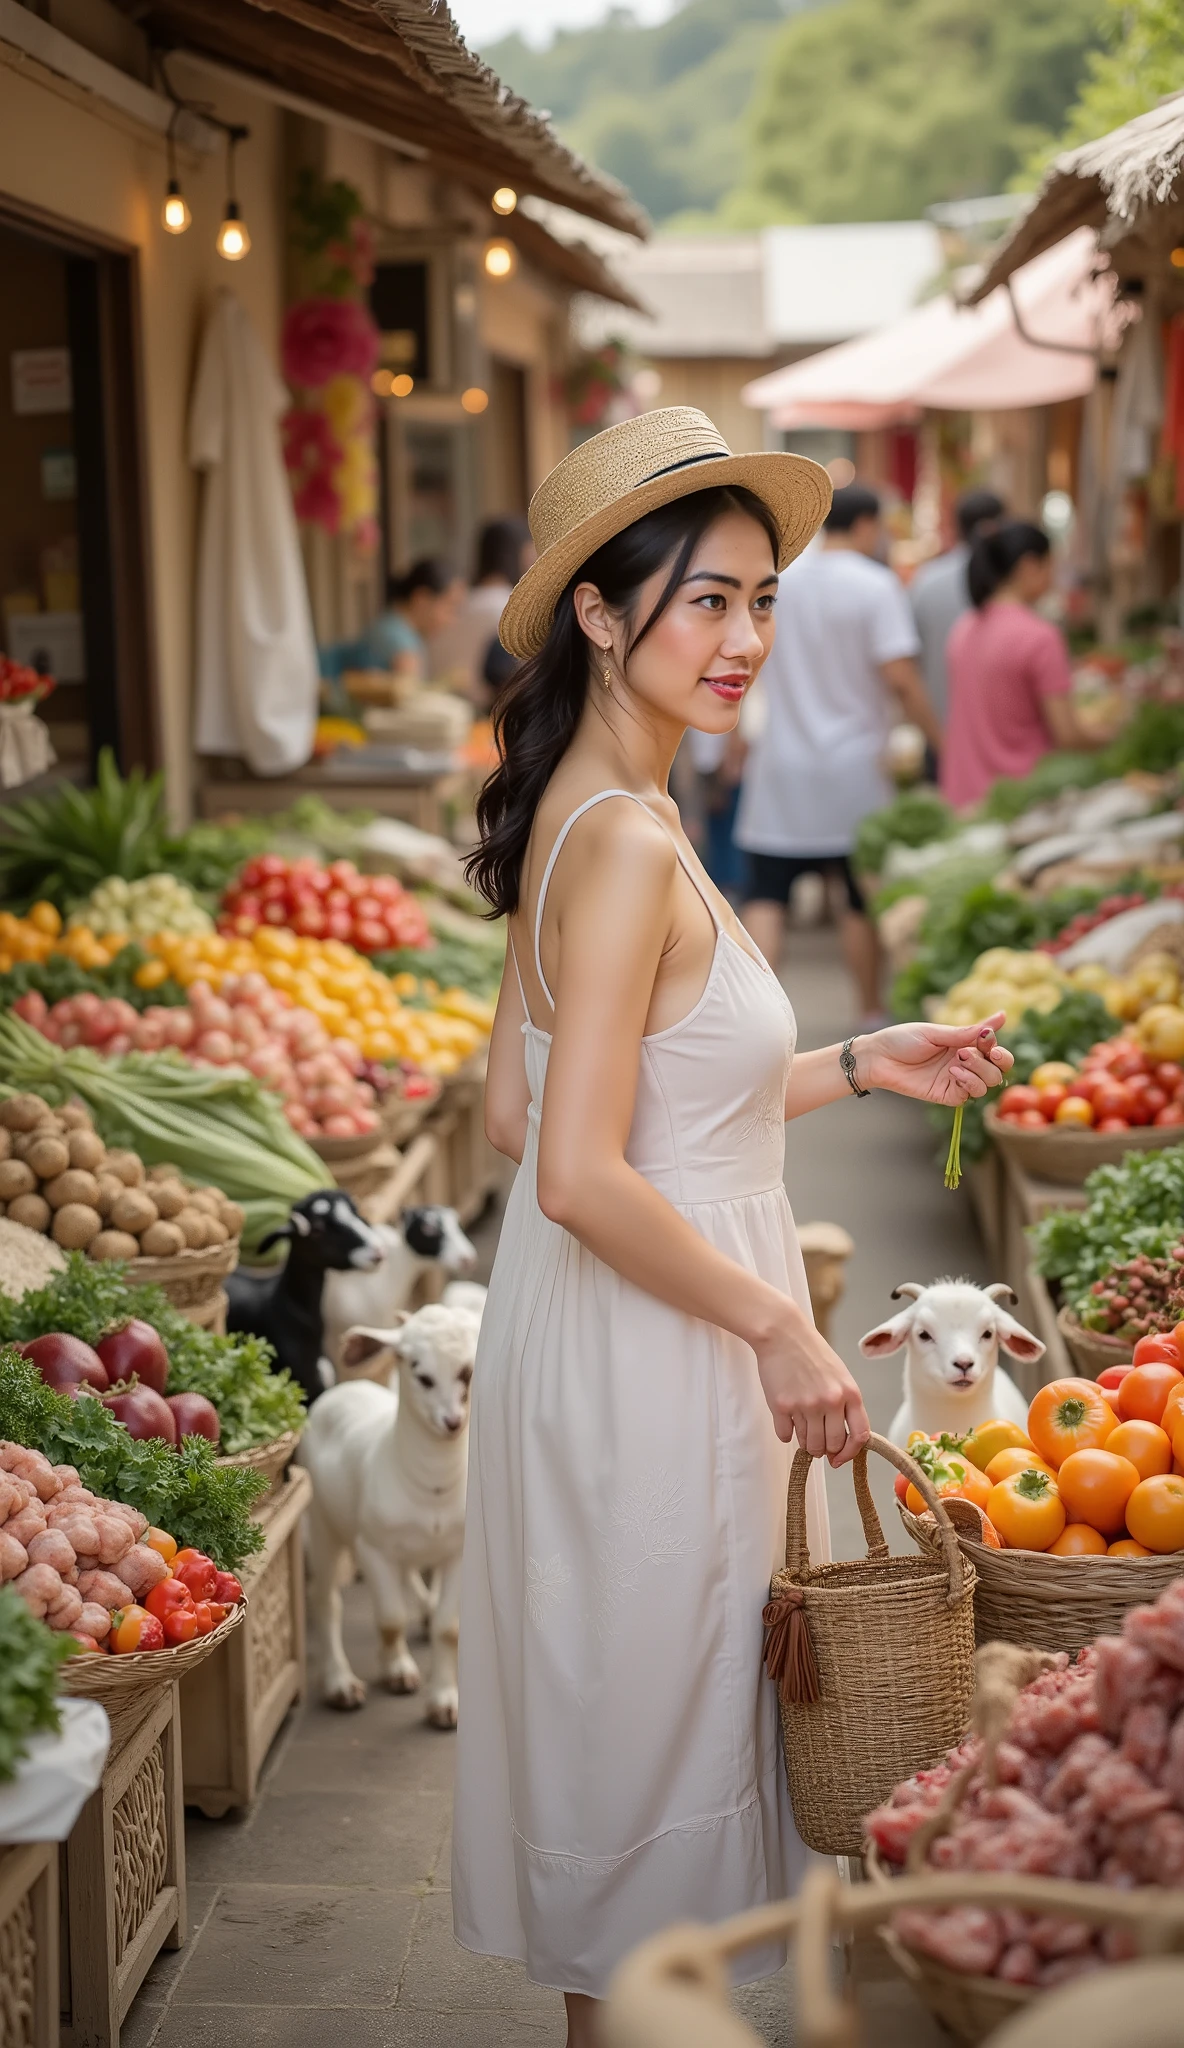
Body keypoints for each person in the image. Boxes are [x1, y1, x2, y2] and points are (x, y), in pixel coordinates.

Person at [451, 407, 1011, 2048]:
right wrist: (773, 1322)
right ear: (600, 611)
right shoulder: (619, 835)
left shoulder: (583, 801)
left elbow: (540, 1113)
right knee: (657, 1780)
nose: (743, 638)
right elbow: (569, 1165)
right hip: (659, 1349)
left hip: (609, 1330)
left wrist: (846, 1058)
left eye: (760, 598)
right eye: (703, 599)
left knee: (635, 1768)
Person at [734, 482, 940, 1027]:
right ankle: (870, 1010)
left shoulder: (782, 584)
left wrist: (733, 746)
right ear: (869, 525)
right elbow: (900, 676)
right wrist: (937, 738)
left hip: (782, 763)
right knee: (858, 899)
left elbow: (745, 668)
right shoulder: (876, 586)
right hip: (855, 770)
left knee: (766, 896)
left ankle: (753, 1022)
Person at [941, 520, 1099, 810]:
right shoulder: (1040, 637)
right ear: (1029, 566)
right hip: (1024, 802)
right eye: (1051, 566)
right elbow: (1068, 735)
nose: (1053, 578)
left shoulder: (963, 629)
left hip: (965, 800)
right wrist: (1113, 735)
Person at [909, 487, 1005, 728]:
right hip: (998, 727)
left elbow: (911, 656)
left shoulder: (926, 580)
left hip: (938, 719)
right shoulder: (1008, 582)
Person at [431, 516, 535, 705]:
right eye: (530, 553)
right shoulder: (511, 610)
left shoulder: (460, 604)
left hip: (442, 706)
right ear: (516, 554)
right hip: (486, 712)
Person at [357, 557, 461, 678]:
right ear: (422, 599)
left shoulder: (391, 626)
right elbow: (411, 692)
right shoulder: (400, 643)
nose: (452, 620)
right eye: (450, 607)